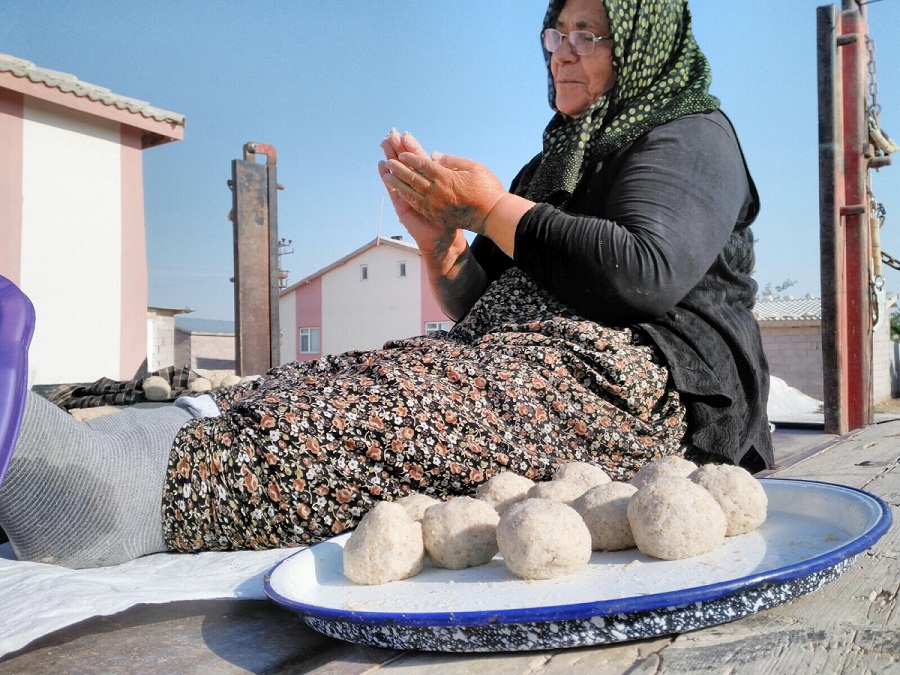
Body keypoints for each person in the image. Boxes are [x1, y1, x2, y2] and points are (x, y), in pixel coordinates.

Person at [0, 0, 772, 569]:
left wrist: (492, 206)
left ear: (643, 42)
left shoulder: (691, 134)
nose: (562, 53)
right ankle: (53, 447)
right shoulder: (562, 160)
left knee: (402, 413)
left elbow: (643, 273)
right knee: (330, 380)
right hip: (525, 360)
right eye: (554, 32)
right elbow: (482, 302)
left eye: (587, 34)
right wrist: (439, 240)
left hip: (639, 393)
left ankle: (101, 499)